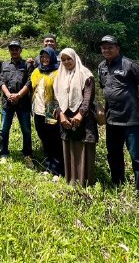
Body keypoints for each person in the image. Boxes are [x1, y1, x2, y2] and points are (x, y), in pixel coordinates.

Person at [97, 35, 139, 194]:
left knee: (137, 157)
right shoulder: (102, 67)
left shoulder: (130, 65)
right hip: (112, 121)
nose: (106, 50)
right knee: (113, 154)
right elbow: (104, 88)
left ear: (117, 48)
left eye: (110, 46)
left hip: (132, 121)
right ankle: (118, 183)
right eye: (103, 47)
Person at [55, 48, 98, 186]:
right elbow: (54, 99)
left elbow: (88, 97)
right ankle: (71, 180)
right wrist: (60, 115)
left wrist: (80, 114)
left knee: (84, 148)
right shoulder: (59, 76)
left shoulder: (85, 74)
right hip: (65, 118)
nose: (66, 62)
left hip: (83, 119)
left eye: (69, 59)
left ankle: (85, 182)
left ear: (75, 58)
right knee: (70, 148)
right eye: (63, 59)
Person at [25, 47, 64, 177]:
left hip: (52, 110)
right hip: (38, 110)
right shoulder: (36, 71)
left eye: (47, 57)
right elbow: (31, 87)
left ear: (52, 57)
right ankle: (48, 167)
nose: (44, 59)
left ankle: (57, 169)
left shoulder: (58, 72)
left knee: (55, 140)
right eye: (42, 57)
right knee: (45, 139)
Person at [0, 40, 33, 166]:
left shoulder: (27, 65)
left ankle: (27, 155)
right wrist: (8, 95)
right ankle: (3, 153)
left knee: (26, 130)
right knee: (4, 129)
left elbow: (30, 82)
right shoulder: (4, 65)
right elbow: (1, 82)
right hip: (7, 102)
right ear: (9, 50)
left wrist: (19, 95)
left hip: (23, 102)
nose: (14, 51)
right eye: (12, 49)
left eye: (16, 49)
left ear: (20, 50)